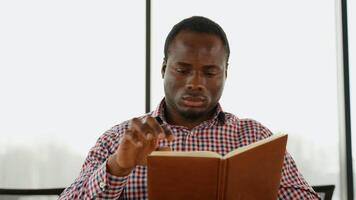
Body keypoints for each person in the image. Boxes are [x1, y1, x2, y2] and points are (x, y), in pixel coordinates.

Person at [59, 16, 320, 199]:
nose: (195, 83)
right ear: (164, 69)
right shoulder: (120, 139)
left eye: (209, 72)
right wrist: (117, 167)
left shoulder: (256, 138)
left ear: (225, 73)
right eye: (183, 70)